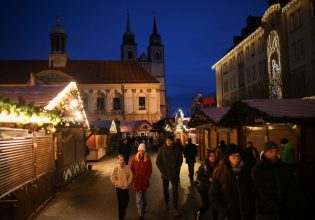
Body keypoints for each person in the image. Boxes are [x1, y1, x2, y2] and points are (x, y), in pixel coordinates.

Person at [251, 141, 304, 220]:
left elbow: (291, 187)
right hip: (265, 212)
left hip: (283, 210)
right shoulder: (257, 170)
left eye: (276, 151)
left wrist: (289, 203)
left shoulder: (284, 168)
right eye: (271, 151)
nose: (274, 154)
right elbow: (259, 191)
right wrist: (273, 205)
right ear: (264, 153)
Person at [209, 144, 255, 220]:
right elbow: (212, 197)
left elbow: (251, 192)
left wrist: (250, 209)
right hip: (229, 216)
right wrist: (225, 212)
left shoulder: (244, 172)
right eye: (233, 156)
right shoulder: (220, 174)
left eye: (238, 156)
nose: (236, 158)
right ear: (227, 158)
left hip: (246, 215)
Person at [156, 134, 183, 217]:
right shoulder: (161, 150)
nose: (168, 142)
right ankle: (167, 204)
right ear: (165, 141)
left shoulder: (177, 149)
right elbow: (158, 162)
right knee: (165, 190)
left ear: (172, 141)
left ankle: (175, 207)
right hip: (165, 175)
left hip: (174, 174)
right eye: (167, 140)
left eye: (170, 140)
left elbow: (180, 161)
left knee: (175, 192)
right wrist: (162, 171)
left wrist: (176, 171)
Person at [130, 143, 152, 220]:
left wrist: (147, 178)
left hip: (144, 182)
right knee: (139, 199)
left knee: (144, 198)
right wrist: (133, 177)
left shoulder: (147, 158)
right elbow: (131, 168)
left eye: (143, 151)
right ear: (138, 150)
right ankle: (140, 212)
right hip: (137, 181)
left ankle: (144, 208)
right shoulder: (134, 159)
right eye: (140, 150)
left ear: (144, 151)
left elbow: (149, 170)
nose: (141, 152)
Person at [195, 150, 217, 220]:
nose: (213, 157)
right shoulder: (204, 166)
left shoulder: (218, 164)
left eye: (214, 156)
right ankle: (200, 213)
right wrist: (208, 179)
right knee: (207, 204)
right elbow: (199, 176)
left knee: (214, 204)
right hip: (204, 188)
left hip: (214, 188)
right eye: (211, 156)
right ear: (208, 157)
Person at [110, 155, 133, 220]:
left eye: (123, 160)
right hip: (119, 188)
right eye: (120, 160)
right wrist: (117, 183)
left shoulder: (127, 167)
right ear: (118, 161)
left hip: (125, 188)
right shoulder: (115, 168)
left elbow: (131, 176)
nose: (122, 161)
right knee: (120, 203)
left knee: (126, 201)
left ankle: (124, 210)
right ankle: (121, 217)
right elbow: (112, 177)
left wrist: (128, 183)